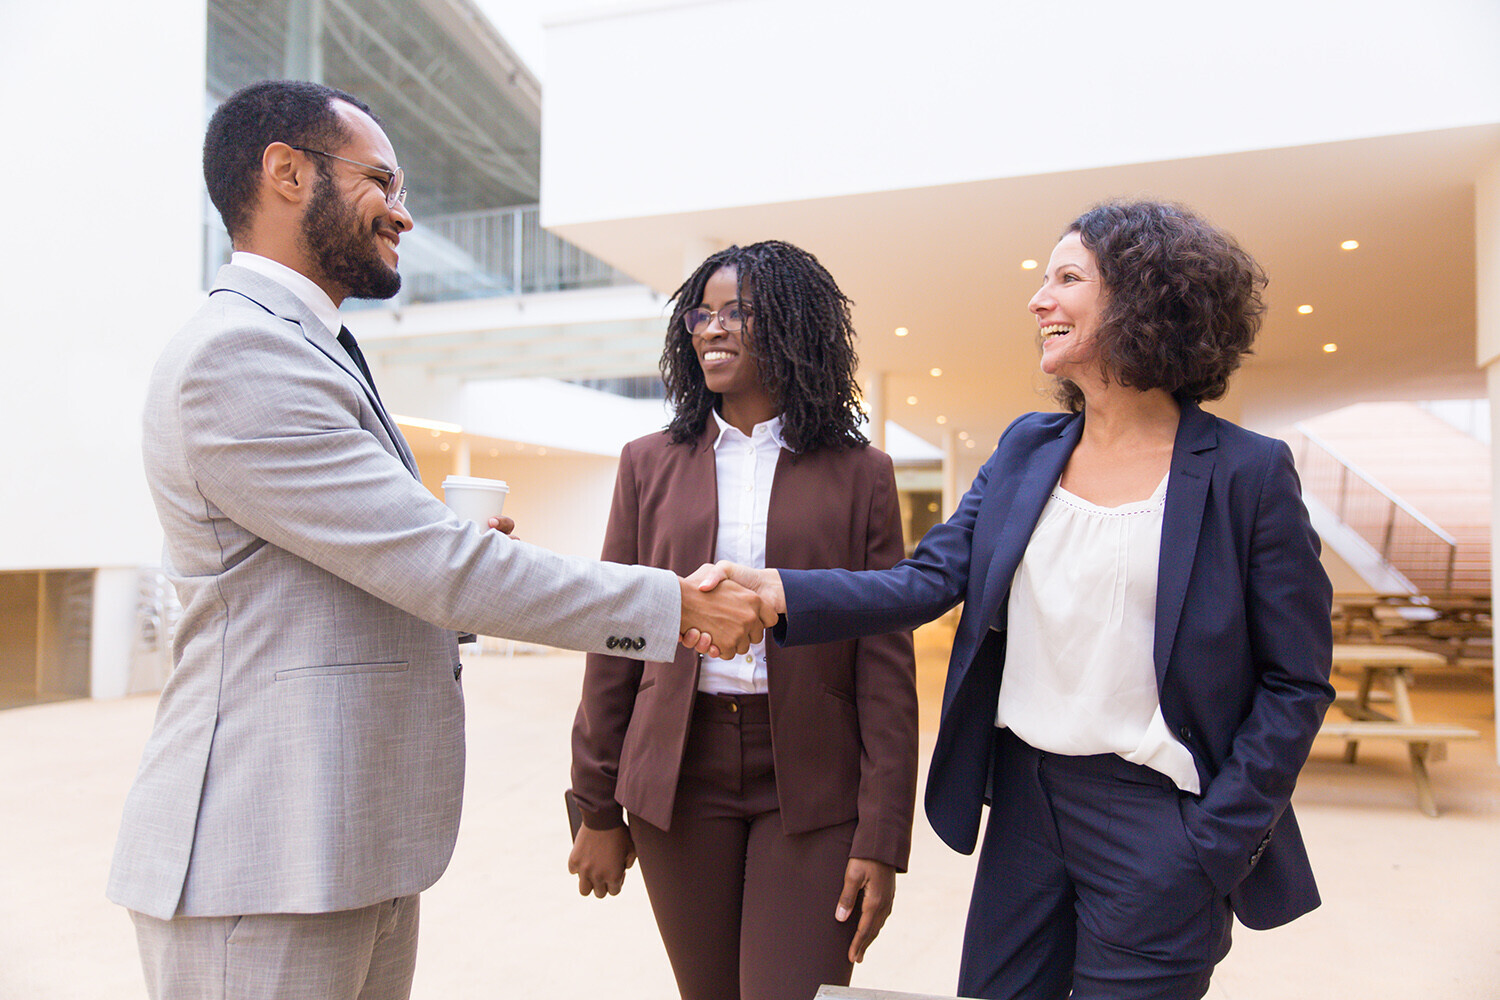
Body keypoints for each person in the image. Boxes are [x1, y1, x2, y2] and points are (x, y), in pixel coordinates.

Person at [107, 79, 769, 1000]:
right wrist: (676, 605)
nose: (405, 214)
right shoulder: (240, 353)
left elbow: (391, 566)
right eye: (383, 180)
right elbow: (441, 567)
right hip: (261, 850)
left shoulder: (314, 344)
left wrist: (440, 560)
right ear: (287, 173)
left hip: (346, 847)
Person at [697, 202, 1336, 1000]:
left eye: (1067, 279)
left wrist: (1212, 844)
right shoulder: (1028, 448)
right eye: (1043, 279)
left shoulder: (1248, 473)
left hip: (1158, 817)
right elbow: (924, 582)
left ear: (1145, 298)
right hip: (1026, 808)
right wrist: (778, 591)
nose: (1038, 299)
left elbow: (1297, 681)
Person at [567, 241, 919, 1000]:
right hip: (679, 777)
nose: (711, 329)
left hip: (816, 782)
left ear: (796, 326)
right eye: (702, 313)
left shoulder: (863, 475)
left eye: (738, 312)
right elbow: (614, 635)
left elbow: (885, 662)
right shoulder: (647, 463)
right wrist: (594, 805)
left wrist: (883, 836)